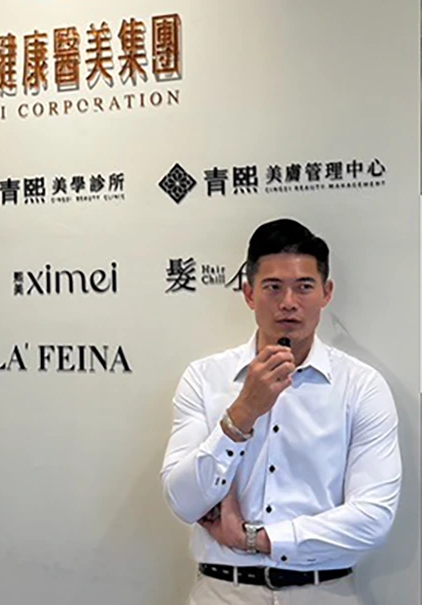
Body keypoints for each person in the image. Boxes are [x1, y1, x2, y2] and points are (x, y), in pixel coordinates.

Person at [160, 218, 402, 605]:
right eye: (273, 287)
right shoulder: (205, 377)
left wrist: (259, 539)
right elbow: (183, 500)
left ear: (326, 293)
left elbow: (373, 517)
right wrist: (242, 413)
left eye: (304, 286)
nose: (288, 302)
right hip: (224, 592)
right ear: (249, 294)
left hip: (324, 592)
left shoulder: (361, 386)